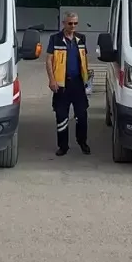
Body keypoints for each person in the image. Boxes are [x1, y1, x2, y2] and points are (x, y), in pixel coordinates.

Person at [45, 11, 91, 156]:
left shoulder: (81, 38)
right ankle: (63, 146)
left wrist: (87, 78)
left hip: (78, 83)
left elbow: (84, 58)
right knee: (61, 116)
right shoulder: (55, 39)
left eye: (75, 23)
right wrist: (52, 79)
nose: (73, 26)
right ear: (64, 23)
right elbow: (49, 60)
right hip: (61, 84)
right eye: (70, 23)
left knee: (82, 115)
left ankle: (82, 142)